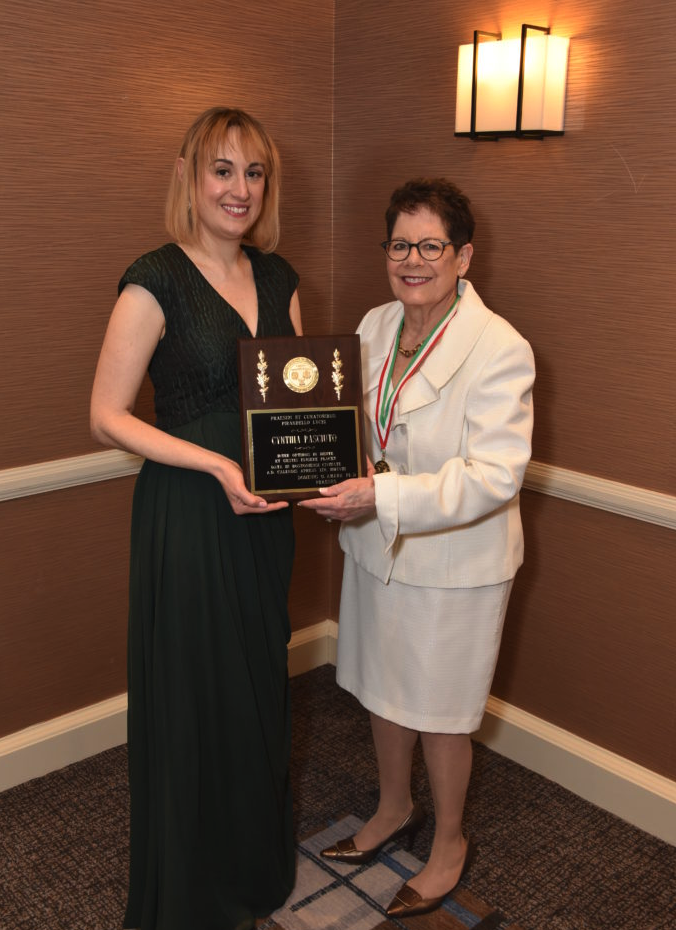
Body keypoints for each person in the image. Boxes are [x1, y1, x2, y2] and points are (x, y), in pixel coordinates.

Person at [299, 178, 534, 919]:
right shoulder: (374, 325)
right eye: (400, 244)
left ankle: (450, 842)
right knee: (381, 689)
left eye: (431, 246)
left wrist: (383, 496)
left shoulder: (500, 349)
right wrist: (322, 472)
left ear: (463, 256)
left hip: (454, 565)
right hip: (377, 547)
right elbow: (351, 427)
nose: (413, 260)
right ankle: (394, 807)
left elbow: (494, 476)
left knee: (441, 712)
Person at [90, 107, 302, 930]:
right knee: (196, 694)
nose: (239, 189)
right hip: (188, 511)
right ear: (189, 176)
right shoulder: (155, 278)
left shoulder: (279, 276)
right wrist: (215, 462)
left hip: (262, 515)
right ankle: (190, 893)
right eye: (222, 170)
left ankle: (250, 867)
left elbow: (295, 398)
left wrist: (317, 466)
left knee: (256, 684)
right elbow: (106, 416)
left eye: (253, 173)